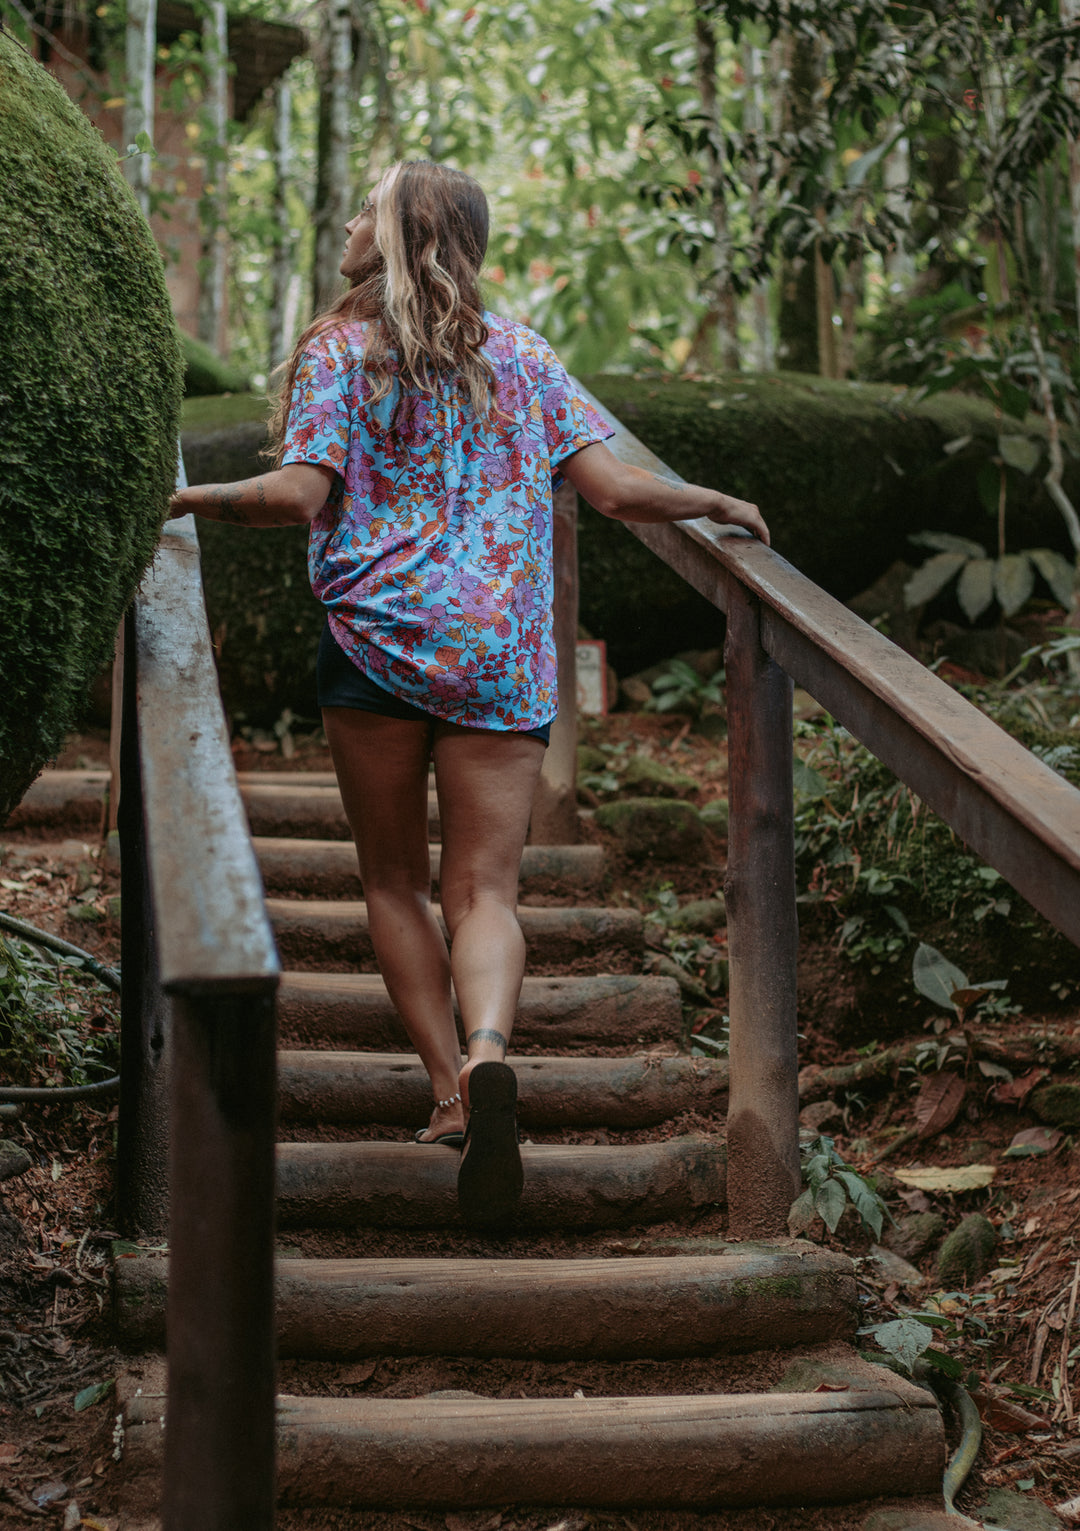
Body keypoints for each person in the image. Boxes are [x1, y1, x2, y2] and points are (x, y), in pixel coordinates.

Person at [169, 158, 769, 1227]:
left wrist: (184, 495)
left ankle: (449, 1094)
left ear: (399, 234)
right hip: (500, 655)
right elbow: (617, 490)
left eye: (366, 209)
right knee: (485, 891)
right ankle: (494, 1047)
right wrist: (715, 495)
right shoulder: (526, 358)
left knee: (395, 882)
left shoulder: (339, 355)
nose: (350, 223)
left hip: (378, 647)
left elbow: (297, 494)